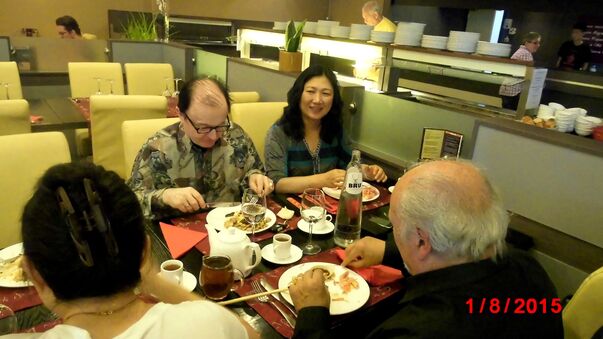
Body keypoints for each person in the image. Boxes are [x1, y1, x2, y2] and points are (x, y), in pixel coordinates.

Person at [289, 159, 563, 338]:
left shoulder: (418, 329)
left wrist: (312, 313)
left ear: (421, 241)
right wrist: (389, 251)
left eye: (395, 225)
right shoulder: (529, 269)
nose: (394, 232)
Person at [9, 162, 257, 338]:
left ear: (34, 274)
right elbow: (248, 335)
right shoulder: (208, 324)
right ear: (146, 252)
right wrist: (149, 278)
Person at [128, 76, 274, 219]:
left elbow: (254, 170)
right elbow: (130, 202)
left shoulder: (235, 135)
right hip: (180, 231)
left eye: (220, 125)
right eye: (203, 128)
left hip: (232, 227)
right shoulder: (158, 149)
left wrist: (256, 177)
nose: (213, 136)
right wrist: (164, 196)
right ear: (181, 115)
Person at [264, 65, 387, 194]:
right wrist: (322, 180)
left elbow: (349, 164)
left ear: (333, 99)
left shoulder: (335, 129)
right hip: (291, 208)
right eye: (311, 91)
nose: (317, 100)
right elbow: (276, 183)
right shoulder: (279, 132)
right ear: (298, 94)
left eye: (326, 93)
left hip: (328, 206)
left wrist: (366, 171)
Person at [499, 32, 541, 110]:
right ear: (526, 42)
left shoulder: (521, 51)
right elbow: (528, 74)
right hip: (514, 92)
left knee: (507, 113)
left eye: (538, 43)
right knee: (512, 116)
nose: (538, 45)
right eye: (535, 43)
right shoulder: (525, 54)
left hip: (508, 90)